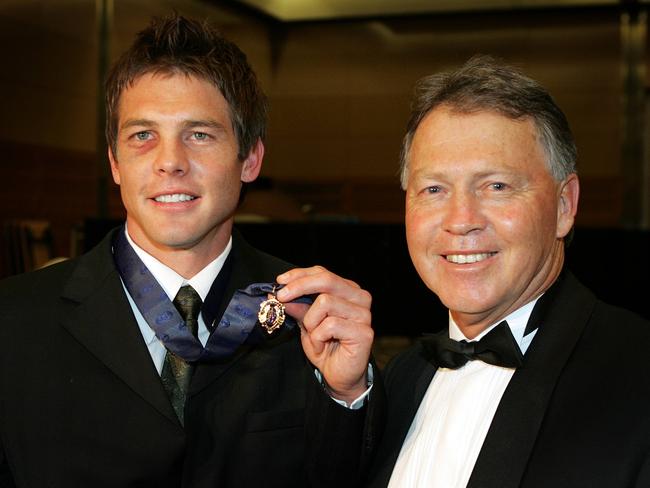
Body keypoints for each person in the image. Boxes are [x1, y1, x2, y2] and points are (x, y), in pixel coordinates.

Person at [0, 15, 378, 488]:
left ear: (251, 159)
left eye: (199, 134)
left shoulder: (311, 315)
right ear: (115, 163)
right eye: (143, 136)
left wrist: (346, 394)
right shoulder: (12, 322)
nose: (171, 162)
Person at [366, 55, 650, 488]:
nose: (461, 219)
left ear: (564, 206)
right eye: (434, 189)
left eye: (496, 186)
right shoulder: (399, 379)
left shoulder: (637, 374)